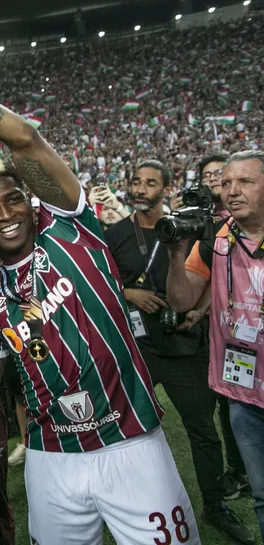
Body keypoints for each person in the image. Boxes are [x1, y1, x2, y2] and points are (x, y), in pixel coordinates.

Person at [0, 33, 200, 543]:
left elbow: (25, 140)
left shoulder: (73, 230)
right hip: (51, 460)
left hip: (132, 443)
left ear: (32, 203)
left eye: (13, 200)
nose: (4, 213)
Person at [105, 159, 253, 543]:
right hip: (136, 348)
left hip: (186, 347)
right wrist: (128, 292)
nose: (141, 189)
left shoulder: (192, 227)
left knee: (202, 433)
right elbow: (101, 281)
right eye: (136, 181)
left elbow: (212, 276)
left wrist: (199, 311)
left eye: (151, 183)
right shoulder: (116, 233)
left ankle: (215, 504)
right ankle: (116, 499)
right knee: (120, 426)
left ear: (165, 190)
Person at [168, 149, 264, 539]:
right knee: (262, 494)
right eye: (226, 183)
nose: (232, 191)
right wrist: (176, 251)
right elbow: (181, 299)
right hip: (245, 394)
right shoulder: (216, 238)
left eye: (246, 182)